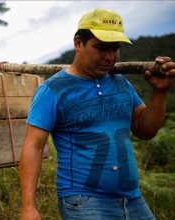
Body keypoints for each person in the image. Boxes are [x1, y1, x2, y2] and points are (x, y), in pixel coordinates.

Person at [19, 8, 175, 220]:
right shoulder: (52, 91)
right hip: (84, 201)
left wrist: (159, 92)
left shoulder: (122, 83)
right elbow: (33, 147)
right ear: (78, 43)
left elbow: (145, 130)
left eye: (115, 49)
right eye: (101, 48)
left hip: (132, 198)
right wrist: (29, 207)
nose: (110, 57)